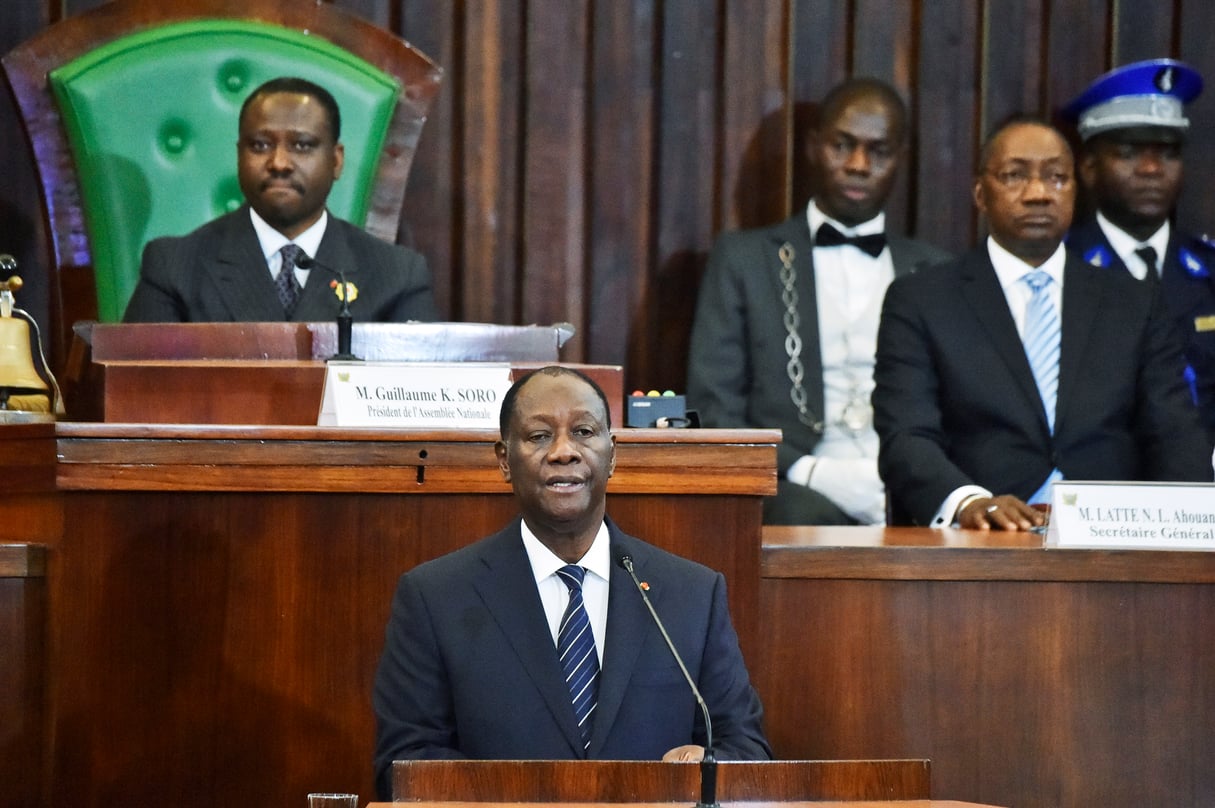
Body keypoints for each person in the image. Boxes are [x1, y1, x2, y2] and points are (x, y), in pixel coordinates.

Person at [372, 366, 771, 798]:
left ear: (612, 454)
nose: (564, 452)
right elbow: (405, 765)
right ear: (503, 459)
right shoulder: (436, 598)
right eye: (539, 436)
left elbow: (746, 748)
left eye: (583, 431)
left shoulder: (691, 594)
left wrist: (706, 765)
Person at [873, 117, 1211, 530]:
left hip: (1110, 538)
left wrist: (1187, 531)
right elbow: (906, 437)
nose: (1037, 194)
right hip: (982, 539)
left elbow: (1174, 433)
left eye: (1055, 178)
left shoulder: (1133, 302)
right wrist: (968, 503)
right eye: (1015, 176)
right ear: (980, 193)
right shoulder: (922, 300)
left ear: (1075, 189)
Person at [687, 77, 950, 526]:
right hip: (793, 483)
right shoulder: (745, 259)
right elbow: (714, 410)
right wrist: (813, 471)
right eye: (842, 146)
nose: (858, 165)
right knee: (805, 515)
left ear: (901, 160)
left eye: (879, 151)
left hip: (909, 480)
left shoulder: (935, 269)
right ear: (812, 147)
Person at [123, 76, 438, 323]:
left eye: (302, 145)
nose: (279, 163)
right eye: (260, 145)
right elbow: (137, 395)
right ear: (239, 156)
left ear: (336, 160)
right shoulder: (175, 266)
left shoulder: (396, 275)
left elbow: (416, 398)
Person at [1063, 59, 1215, 439]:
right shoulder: (1060, 266)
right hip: (1097, 484)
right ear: (1089, 167)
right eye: (1129, 153)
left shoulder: (1208, 270)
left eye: (1167, 153)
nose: (1151, 169)